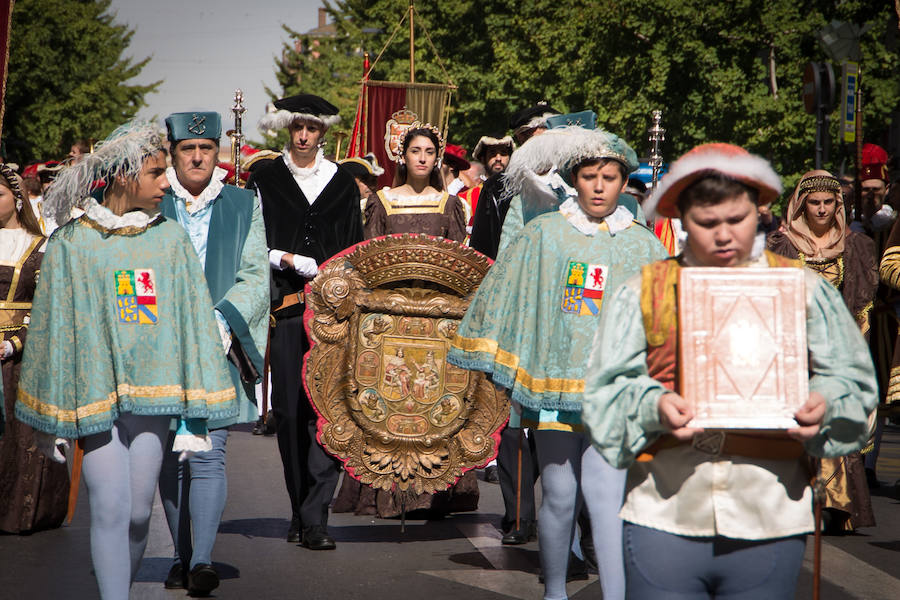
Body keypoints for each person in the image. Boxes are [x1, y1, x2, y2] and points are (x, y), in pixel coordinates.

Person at [582, 143, 877, 599]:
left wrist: (826, 405)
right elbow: (603, 394)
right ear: (681, 218)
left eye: (736, 221)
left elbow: (854, 383)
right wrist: (652, 405)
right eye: (707, 223)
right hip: (664, 512)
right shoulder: (643, 290)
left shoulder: (801, 289)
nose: (723, 236)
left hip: (771, 513)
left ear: (760, 213)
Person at [14, 122, 238, 600]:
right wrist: (49, 418)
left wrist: (196, 416)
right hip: (95, 397)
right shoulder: (72, 243)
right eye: (157, 173)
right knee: (110, 508)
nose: (167, 183)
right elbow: (52, 332)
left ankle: (124, 585)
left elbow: (193, 323)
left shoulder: (170, 241)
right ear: (122, 177)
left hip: (153, 400)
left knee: (138, 513)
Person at [449, 121, 668, 600]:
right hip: (553, 389)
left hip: (614, 392)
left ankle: (614, 595)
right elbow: (505, 291)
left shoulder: (643, 243)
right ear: (576, 178)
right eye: (590, 176)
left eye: (610, 177)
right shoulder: (544, 234)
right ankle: (553, 592)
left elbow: (666, 321)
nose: (599, 186)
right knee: (561, 494)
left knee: (608, 496)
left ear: (623, 181)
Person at [156, 111, 269, 594]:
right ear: (172, 154)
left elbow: (254, 276)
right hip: (158, 348)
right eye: (188, 149)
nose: (198, 156)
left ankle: (202, 560)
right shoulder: (152, 203)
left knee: (208, 454)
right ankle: (181, 556)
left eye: (206, 148)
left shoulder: (244, 203)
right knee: (166, 457)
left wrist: (219, 324)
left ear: (218, 151)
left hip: (219, 346)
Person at [246, 93, 364, 550]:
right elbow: (252, 242)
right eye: (297, 126)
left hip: (334, 315)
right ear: (287, 129)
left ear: (323, 133)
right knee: (291, 412)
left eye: (312, 128)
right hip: (289, 309)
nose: (303, 135)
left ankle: (317, 516)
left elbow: (355, 246)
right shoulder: (266, 178)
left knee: (327, 410)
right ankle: (298, 508)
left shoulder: (342, 184)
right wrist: (285, 257)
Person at [767, 170, 877, 533]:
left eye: (829, 202)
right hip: (791, 347)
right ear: (801, 204)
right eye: (814, 202)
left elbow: (861, 302)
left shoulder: (855, 247)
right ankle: (796, 501)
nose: (822, 209)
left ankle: (833, 502)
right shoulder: (780, 246)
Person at [0, 164, 69, 534]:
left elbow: (47, 309)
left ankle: (21, 512)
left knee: (17, 438)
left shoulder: (39, 247)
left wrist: (12, 345)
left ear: (16, 199)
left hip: (18, 362)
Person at [363, 126, 467, 243]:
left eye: (429, 152)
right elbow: (371, 254)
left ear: (436, 159)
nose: (422, 159)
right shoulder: (382, 202)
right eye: (415, 151)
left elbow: (458, 256)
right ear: (403, 157)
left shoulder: (449, 204)